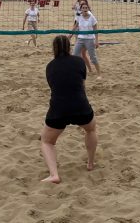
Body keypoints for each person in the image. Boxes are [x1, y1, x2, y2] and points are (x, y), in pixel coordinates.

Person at [40, 35, 98, 184]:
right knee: (91, 129)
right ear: (69, 47)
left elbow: (55, 87)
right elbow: (82, 85)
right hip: (80, 105)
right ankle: (90, 163)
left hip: (58, 109)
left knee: (47, 141)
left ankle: (54, 175)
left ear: (54, 49)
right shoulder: (79, 62)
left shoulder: (50, 66)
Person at [70, 3, 101, 78]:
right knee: (74, 55)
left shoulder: (92, 17)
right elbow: (75, 27)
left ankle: (99, 74)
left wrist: (97, 41)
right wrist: (69, 36)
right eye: (83, 8)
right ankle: (81, 71)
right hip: (80, 38)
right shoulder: (79, 17)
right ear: (81, 9)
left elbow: (96, 30)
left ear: (88, 9)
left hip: (90, 39)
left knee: (93, 57)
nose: (85, 9)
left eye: (86, 8)